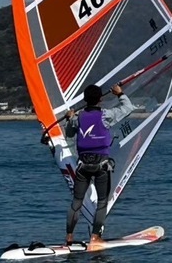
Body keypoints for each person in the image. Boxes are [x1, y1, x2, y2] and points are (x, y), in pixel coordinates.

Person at [62, 84, 134, 246]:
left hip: (83, 166)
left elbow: (70, 134)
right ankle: (95, 236)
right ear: (100, 99)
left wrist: (69, 118)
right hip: (101, 165)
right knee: (102, 201)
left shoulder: (77, 117)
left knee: (76, 202)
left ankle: (69, 236)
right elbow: (128, 108)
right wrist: (120, 94)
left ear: (85, 100)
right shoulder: (105, 115)